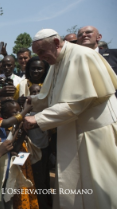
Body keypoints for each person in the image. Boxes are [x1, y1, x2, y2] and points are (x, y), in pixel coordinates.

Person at [24, 28, 117, 209]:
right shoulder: (56, 61)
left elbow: (77, 104)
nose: (41, 57)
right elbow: (48, 95)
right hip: (74, 132)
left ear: (56, 43)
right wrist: (32, 101)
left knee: (98, 190)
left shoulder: (82, 56)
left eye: (42, 51)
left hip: (95, 135)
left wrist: (38, 119)